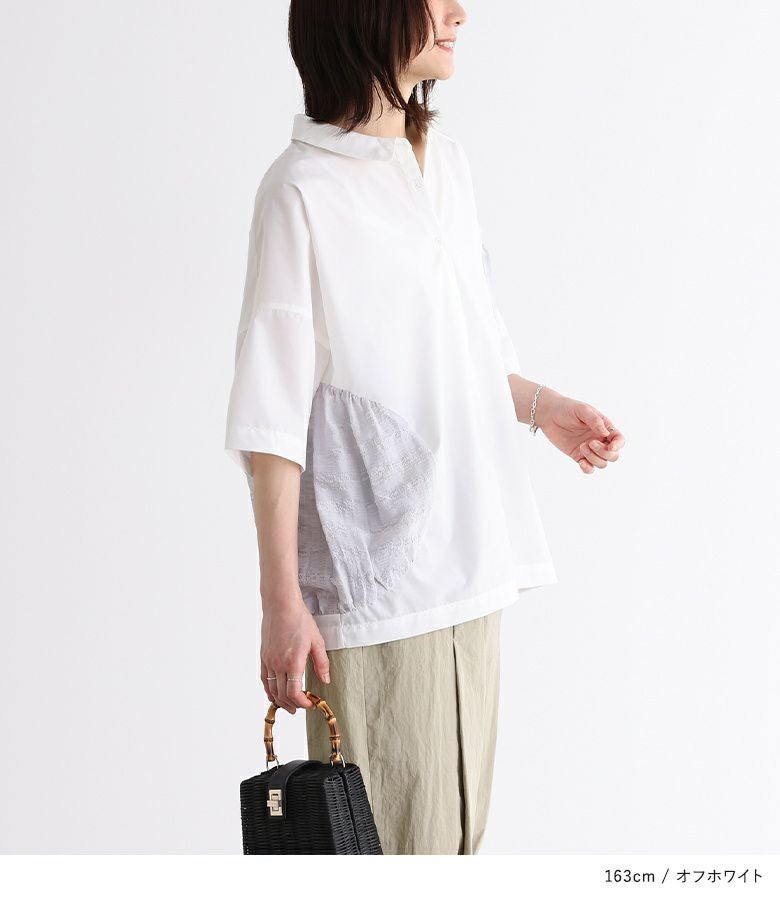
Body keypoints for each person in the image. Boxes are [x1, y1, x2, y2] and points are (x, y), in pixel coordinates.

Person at [224, 0, 625, 855]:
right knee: (390, 850)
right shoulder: (301, 191)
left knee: (460, 843)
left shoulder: (446, 165)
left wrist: (543, 408)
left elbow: (469, 349)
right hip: (377, 593)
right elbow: (270, 418)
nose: (459, 12)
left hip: (474, 569)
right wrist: (281, 602)